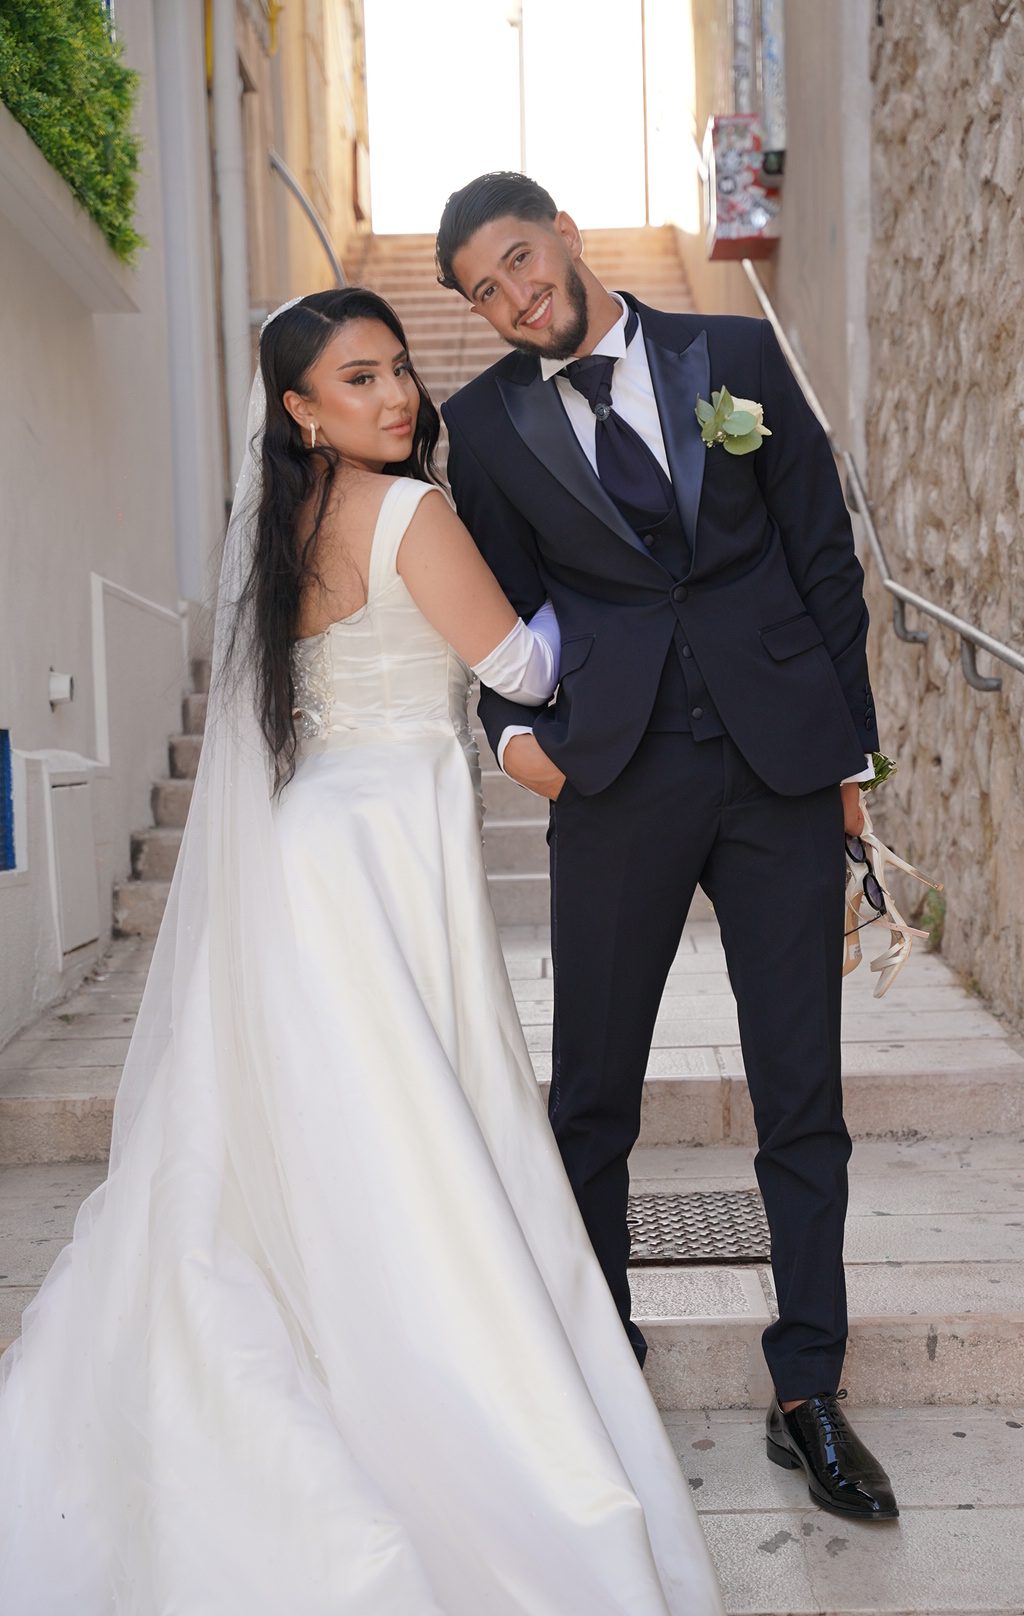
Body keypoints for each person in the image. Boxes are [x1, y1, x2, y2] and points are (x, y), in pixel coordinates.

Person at [0, 289, 725, 1613]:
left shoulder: (279, 528)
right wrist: (610, 592)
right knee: (411, 1132)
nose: (394, 396)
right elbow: (515, 665)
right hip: (386, 845)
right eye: (357, 379)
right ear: (299, 408)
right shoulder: (408, 512)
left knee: (321, 1130)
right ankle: (440, 1393)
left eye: (396, 369)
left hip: (310, 841)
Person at [438, 172, 898, 1522]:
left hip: (779, 767)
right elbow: (494, 613)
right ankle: (599, 1359)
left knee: (801, 1090)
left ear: (567, 236)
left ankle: (808, 1390)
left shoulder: (734, 353)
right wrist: (512, 741)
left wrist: (851, 762)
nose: (516, 297)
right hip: (619, 776)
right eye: (484, 291)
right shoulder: (486, 425)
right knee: (592, 1092)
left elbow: (824, 556)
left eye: (522, 261)